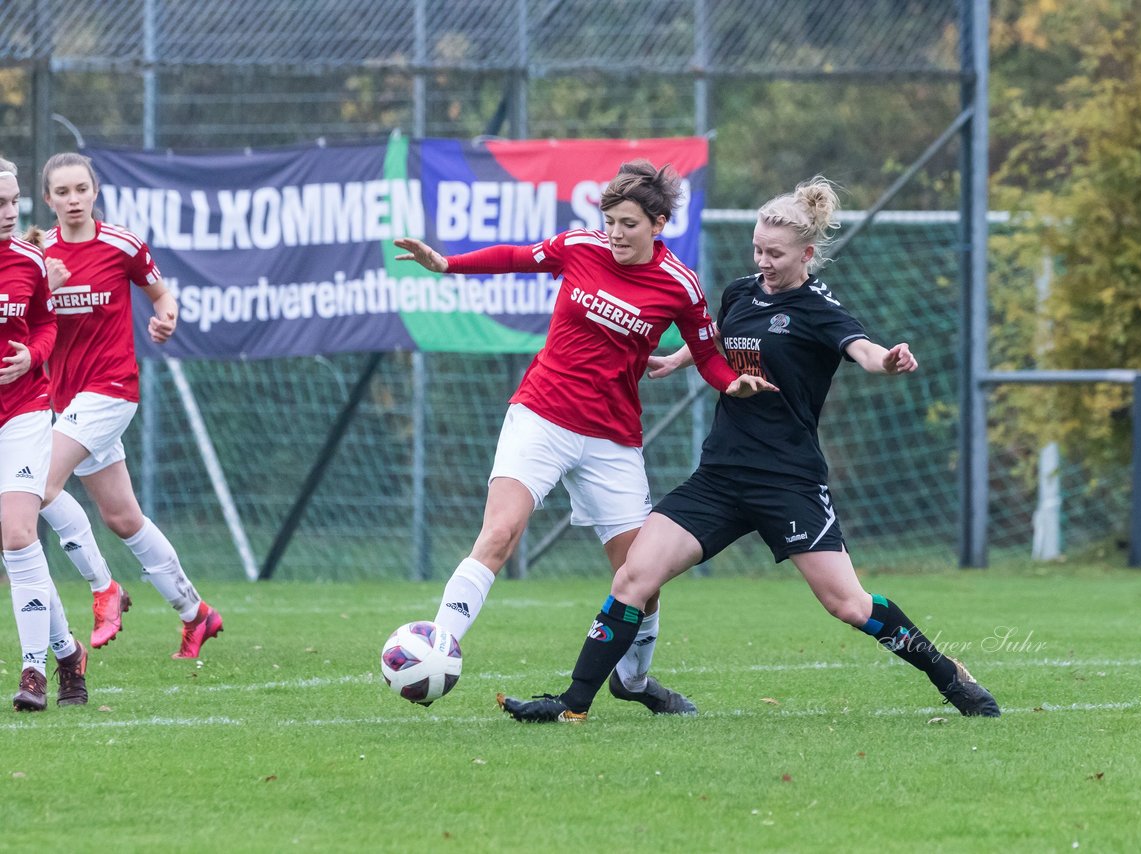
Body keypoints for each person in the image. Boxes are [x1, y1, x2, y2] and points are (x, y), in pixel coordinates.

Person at [497, 177, 1000, 722]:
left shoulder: (817, 309)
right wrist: (675, 361)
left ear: (806, 254)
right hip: (720, 476)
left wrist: (889, 360)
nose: (762, 260)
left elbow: (862, 349)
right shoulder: (741, 291)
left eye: (775, 253)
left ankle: (947, 674)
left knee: (848, 605)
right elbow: (719, 339)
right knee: (634, 577)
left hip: (788, 481)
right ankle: (573, 703)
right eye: (757, 248)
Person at [394, 160, 776, 714]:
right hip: (541, 415)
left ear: (659, 223)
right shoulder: (581, 247)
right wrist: (446, 263)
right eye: (610, 221)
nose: (615, 234)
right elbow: (516, 258)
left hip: (611, 440)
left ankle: (636, 683)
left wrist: (732, 384)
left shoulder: (681, 285)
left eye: (627, 223)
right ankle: (439, 645)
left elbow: (707, 355)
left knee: (639, 578)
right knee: (499, 533)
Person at [36, 152, 221, 659]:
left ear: (95, 191)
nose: (73, 200)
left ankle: (104, 588)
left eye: (81, 189)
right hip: (67, 399)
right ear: (48, 199)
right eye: (63, 192)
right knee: (122, 518)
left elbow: (162, 296)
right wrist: (43, 290)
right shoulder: (42, 256)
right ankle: (195, 613)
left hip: (113, 389)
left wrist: (166, 319)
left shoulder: (122, 244)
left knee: (39, 484)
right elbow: (29, 326)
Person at [0, 157, 89, 710]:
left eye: (12, 202)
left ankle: (33, 672)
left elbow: (47, 323)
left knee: (15, 533)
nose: (8, 214)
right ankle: (68, 652)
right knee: (21, 544)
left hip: (26, 411)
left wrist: (31, 354)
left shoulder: (29, 260)